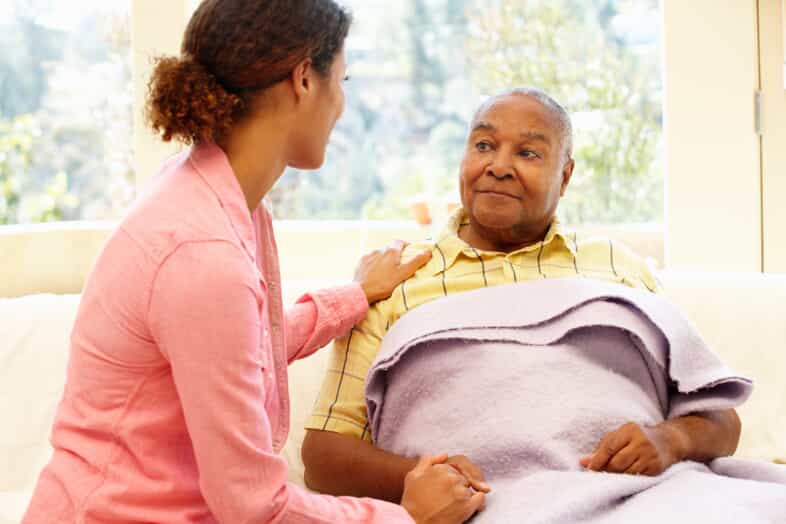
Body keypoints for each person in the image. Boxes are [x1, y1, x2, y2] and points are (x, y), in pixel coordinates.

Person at [21, 1, 488, 523]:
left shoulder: (216, 194)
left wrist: (354, 297)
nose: (342, 104)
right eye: (343, 78)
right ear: (304, 79)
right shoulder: (203, 254)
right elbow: (255, 508)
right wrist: (408, 516)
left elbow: (238, 350)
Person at [302, 87, 742, 502]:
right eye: (483, 146)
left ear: (565, 175)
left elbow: (721, 419)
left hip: (631, 499)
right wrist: (422, 476)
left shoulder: (617, 267)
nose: (498, 166)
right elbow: (323, 456)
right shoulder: (394, 279)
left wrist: (670, 439)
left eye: (528, 152)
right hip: (471, 509)